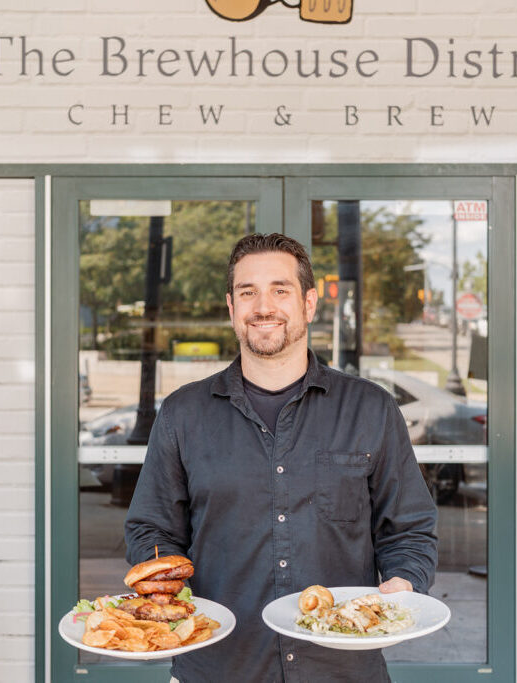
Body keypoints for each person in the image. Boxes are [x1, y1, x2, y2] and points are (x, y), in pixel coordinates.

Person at [125, 233, 437, 683]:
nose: (263, 306)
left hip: (342, 670)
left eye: (280, 289)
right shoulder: (183, 413)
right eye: (247, 292)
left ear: (309, 303)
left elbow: (409, 529)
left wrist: (402, 588)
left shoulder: (370, 409)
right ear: (231, 308)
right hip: (218, 668)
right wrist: (167, 596)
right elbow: (150, 530)